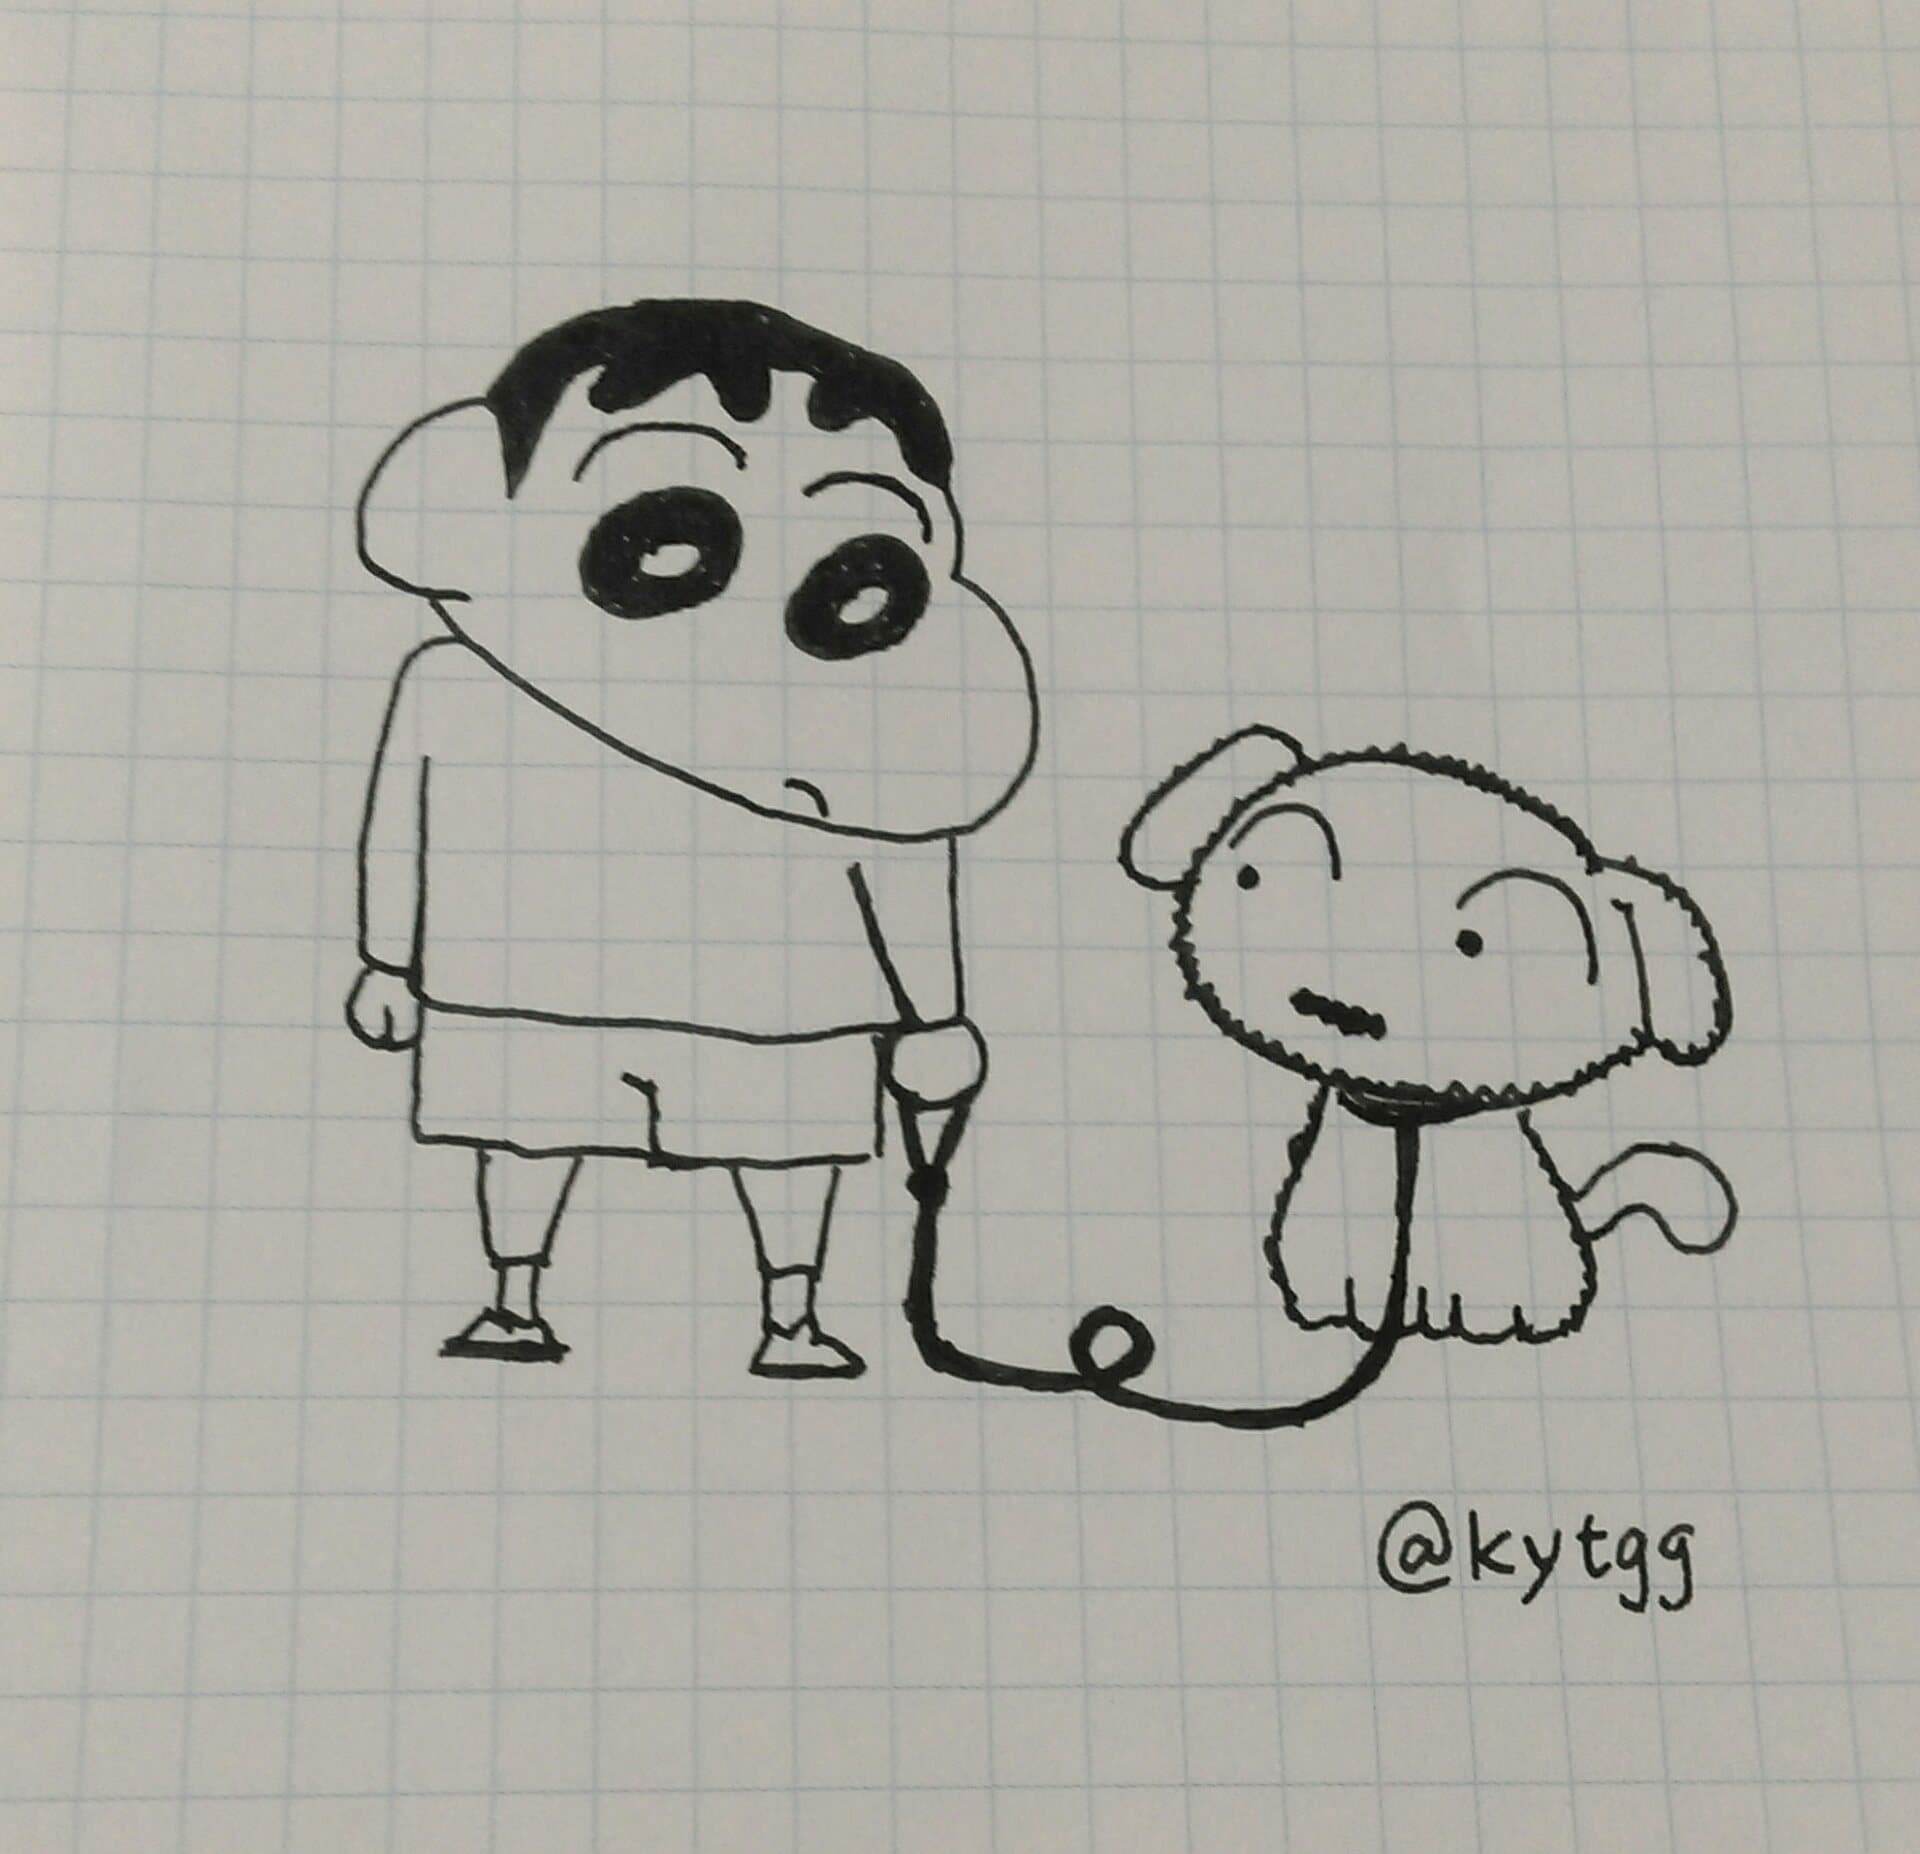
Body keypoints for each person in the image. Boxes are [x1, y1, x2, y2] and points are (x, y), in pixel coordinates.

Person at [347, 301, 1038, 1378]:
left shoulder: (867, 729)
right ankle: (516, 1298)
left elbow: (904, 850)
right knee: (527, 1132)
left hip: (781, 1002)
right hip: (530, 982)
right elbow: (404, 824)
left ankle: (790, 1317)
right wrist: (389, 959)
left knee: (786, 1149)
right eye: (672, 534)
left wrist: (933, 1013)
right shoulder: (460, 682)